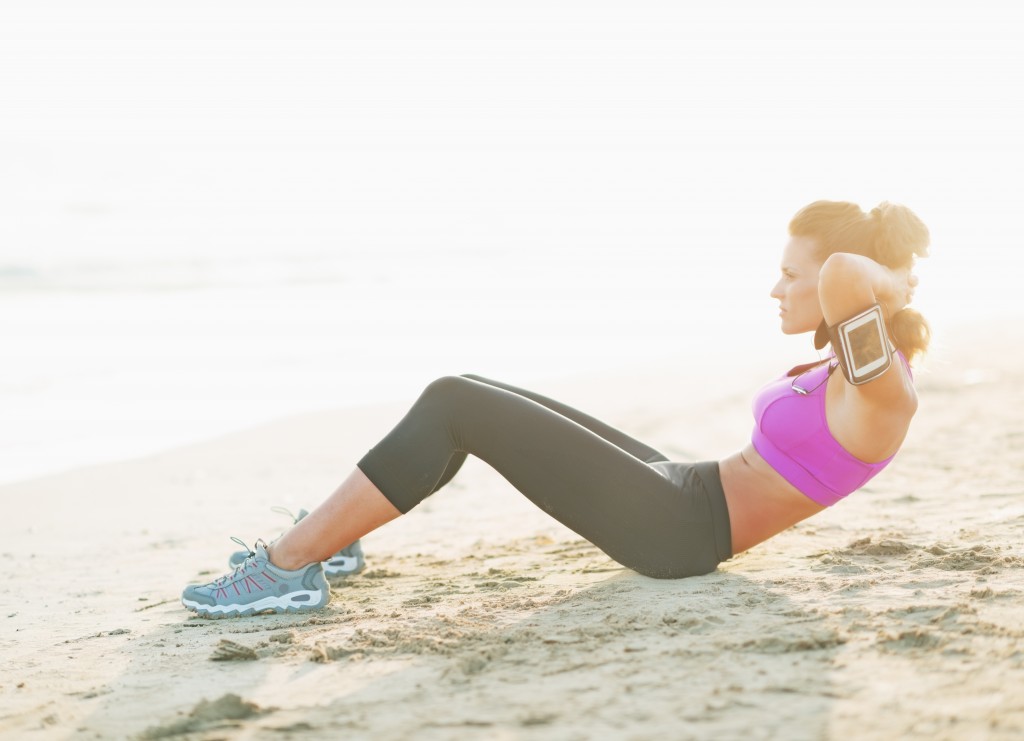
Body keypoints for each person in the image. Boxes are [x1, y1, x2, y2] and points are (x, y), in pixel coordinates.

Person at [181, 200, 930, 619]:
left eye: (786, 275)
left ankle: (288, 566)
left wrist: (892, 275)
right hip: (687, 490)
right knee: (473, 386)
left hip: (680, 532)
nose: (777, 290)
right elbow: (837, 278)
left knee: (454, 401)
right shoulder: (851, 365)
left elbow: (839, 271)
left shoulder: (880, 387)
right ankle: (334, 540)